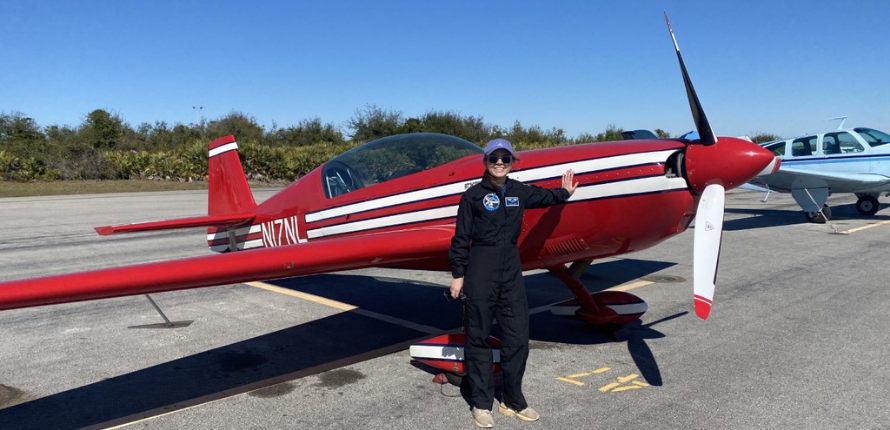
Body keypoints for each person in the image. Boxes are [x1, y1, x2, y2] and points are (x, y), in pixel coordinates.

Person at [448, 138, 577, 428]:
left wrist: (564, 193)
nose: (499, 163)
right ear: (486, 161)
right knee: (478, 337)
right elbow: (460, 237)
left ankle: (512, 400)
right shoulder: (473, 196)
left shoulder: (518, 190)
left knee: (518, 337)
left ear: (512, 162)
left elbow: (545, 198)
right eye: (494, 158)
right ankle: (482, 404)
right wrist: (458, 274)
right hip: (481, 267)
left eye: (505, 159)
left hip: (511, 269)